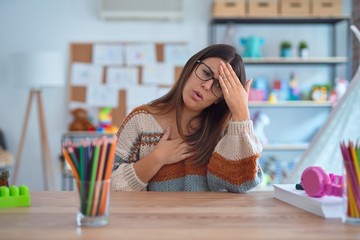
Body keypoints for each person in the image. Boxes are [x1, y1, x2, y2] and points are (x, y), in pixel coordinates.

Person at [111, 44, 263, 192]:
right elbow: (109, 184)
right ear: (191, 68)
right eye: (206, 73)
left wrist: (242, 113)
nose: (207, 86)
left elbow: (240, 185)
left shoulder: (227, 133)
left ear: (221, 98)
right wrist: (157, 158)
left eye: (219, 85)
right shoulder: (140, 121)